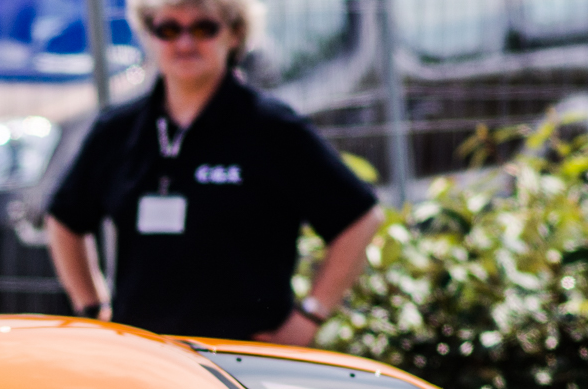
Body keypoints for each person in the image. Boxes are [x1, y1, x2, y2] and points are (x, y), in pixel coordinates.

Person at [45, 0, 383, 345]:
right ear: (149, 36)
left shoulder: (273, 128)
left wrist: (308, 316)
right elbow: (65, 220)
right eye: (169, 29)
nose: (185, 43)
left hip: (243, 358)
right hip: (144, 357)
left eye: (204, 28)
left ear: (235, 34)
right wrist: (93, 308)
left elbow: (359, 220)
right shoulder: (117, 129)